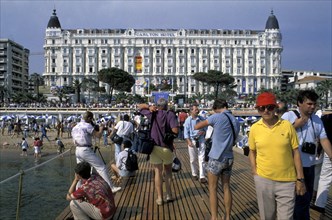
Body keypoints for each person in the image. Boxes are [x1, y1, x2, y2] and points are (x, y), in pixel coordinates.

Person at [248, 92, 306, 220]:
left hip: (287, 182)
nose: (266, 110)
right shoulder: (254, 128)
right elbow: (252, 152)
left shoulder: (287, 126)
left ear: (275, 108)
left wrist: (300, 179)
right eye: (262, 108)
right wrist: (254, 172)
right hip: (263, 179)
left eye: (269, 107)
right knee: (267, 217)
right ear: (258, 109)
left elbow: (296, 152)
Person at [281, 89, 332, 220]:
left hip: (309, 165)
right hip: (290, 166)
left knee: (305, 198)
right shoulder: (288, 116)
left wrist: (331, 155)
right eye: (309, 104)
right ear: (299, 103)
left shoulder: (316, 119)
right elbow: (278, 136)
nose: (313, 107)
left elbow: (324, 139)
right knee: (291, 199)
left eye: (314, 104)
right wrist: (295, 126)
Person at [194, 99, 240, 220]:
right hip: (229, 157)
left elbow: (196, 126)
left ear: (215, 108)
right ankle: (228, 216)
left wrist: (208, 119)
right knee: (226, 187)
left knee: (213, 189)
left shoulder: (217, 117)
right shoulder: (235, 120)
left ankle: (214, 217)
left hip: (216, 157)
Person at [138, 98, 178, 206]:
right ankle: (169, 195)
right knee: (168, 172)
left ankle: (160, 198)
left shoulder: (153, 113)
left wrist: (149, 106)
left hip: (155, 147)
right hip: (166, 147)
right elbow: (175, 131)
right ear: (166, 106)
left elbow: (139, 106)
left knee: (158, 172)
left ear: (157, 105)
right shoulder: (170, 114)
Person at [71, 111, 121, 193]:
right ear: (89, 118)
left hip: (77, 150)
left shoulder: (75, 127)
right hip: (85, 149)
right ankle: (111, 188)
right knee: (101, 167)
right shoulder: (87, 125)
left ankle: (78, 190)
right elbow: (98, 135)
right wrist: (101, 129)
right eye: (91, 119)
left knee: (80, 171)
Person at [312, 113, 332, 215]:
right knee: (323, 176)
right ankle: (318, 202)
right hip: (327, 150)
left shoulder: (325, 118)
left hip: (327, 150)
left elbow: (321, 136)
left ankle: (319, 203)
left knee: (324, 177)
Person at [184, 104, 207, 183]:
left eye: (197, 109)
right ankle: (194, 173)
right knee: (193, 159)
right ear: (191, 111)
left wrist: (204, 132)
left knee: (202, 158)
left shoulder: (202, 119)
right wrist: (188, 141)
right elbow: (185, 133)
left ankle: (202, 176)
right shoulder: (188, 120)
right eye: (195, 109)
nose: (197, 110)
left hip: (201, 140)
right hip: (192, 140)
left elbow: (206, 128)